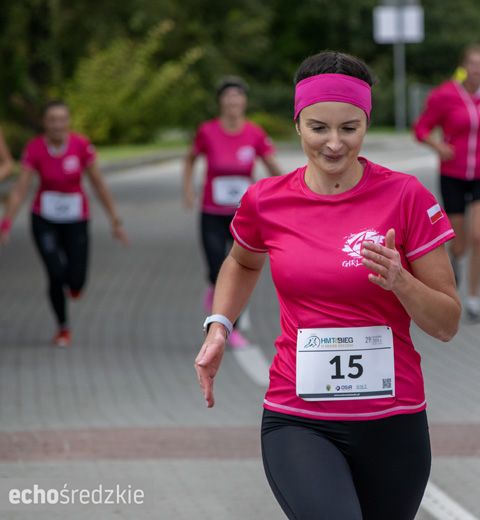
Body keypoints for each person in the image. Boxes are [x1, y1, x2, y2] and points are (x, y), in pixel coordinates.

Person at [194, 51, 460, 520]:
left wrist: (401, 281)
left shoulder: (406, 197)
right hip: (298, 418)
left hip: (393, 419)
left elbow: (446, 324)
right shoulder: (266, 201)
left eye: (349, 128)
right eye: (319, 128)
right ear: (297, 125)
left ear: (366, 125)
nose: (334, 143)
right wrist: (219, 325)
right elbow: (242, 261)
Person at [1, 100, 128, 347]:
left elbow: (98, 184)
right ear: (44, 123)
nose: (57, 125)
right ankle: (63, 327)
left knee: (76, 280)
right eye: (52, 120)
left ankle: (75, 287)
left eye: (61, 119)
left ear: (68, 122)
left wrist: (115, 219)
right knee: (55, 274)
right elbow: (20, 189)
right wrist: (6, 223)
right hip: (44, 219)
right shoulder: (35, 148)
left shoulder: (80, 146)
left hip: (76, 218)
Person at [413, 43, 480, 322]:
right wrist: (438, 146)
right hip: (453, 174)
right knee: (459, 243)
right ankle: (455, 260)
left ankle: (473, 298)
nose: (477, 70)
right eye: (472, 64)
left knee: (478, 235)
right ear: (464, 66)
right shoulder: (445, 95)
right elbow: (421, 128)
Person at [182, 76, 283, 349]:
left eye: (238, 96)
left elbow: (272, 165)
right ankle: (214, 287)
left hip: (244, 215)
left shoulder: (254, 133)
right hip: (212, 213)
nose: (233, 101)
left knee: (239, 271)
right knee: (216, 268)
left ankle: (231, 329)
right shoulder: (207, 131)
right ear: (220, 102)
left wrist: (288, 193)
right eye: (228, 97)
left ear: (244, 101)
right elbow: (189, 159)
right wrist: (188, 190)